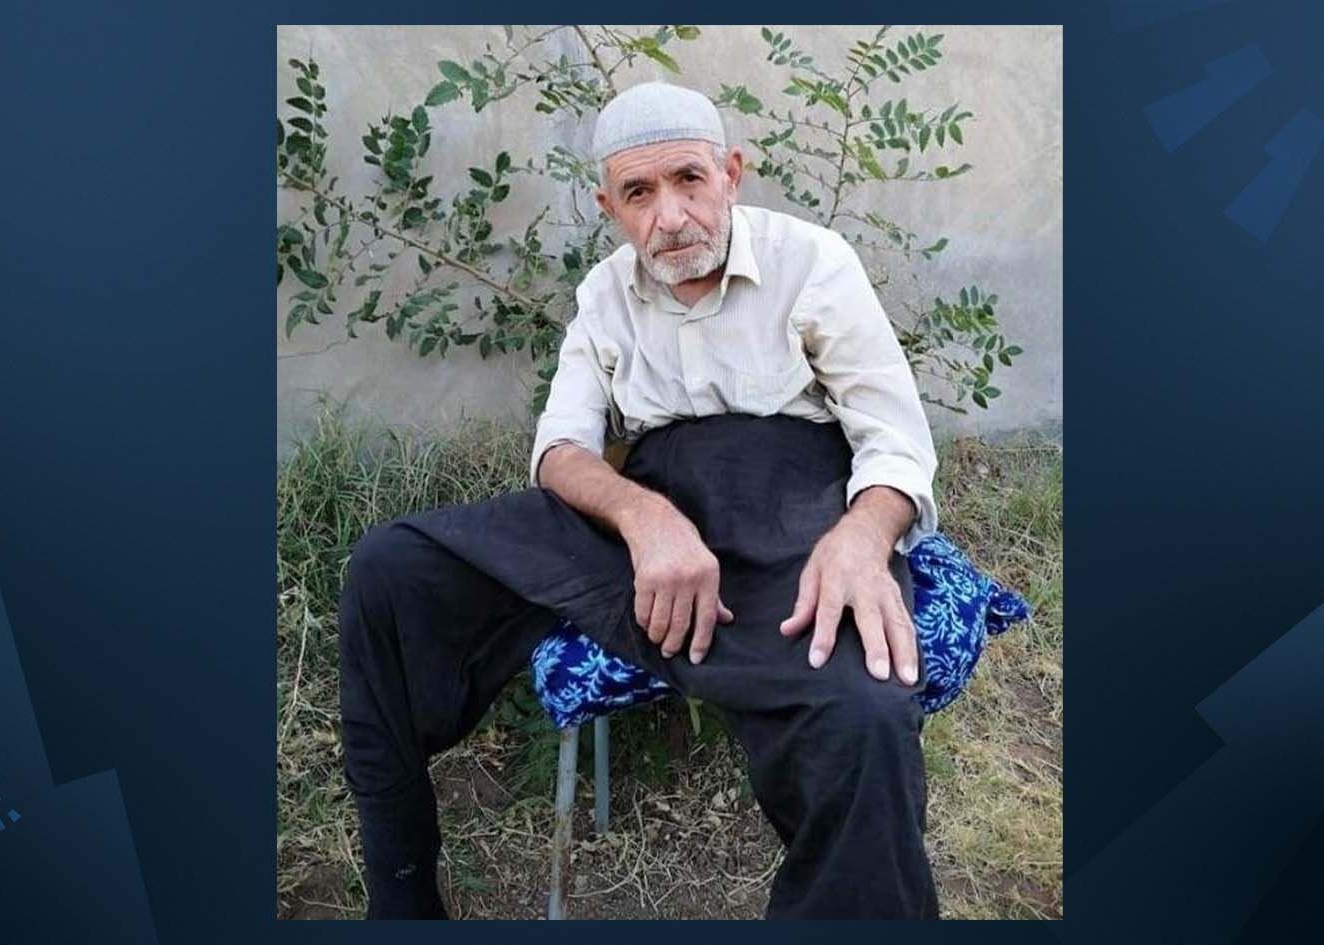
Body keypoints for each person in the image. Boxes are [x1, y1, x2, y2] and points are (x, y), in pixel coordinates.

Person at [338, 80, 941, 920]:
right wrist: (644, 518)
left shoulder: (813, 262)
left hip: (787, 517)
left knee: (865, 712)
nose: (671, 217)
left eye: (689, 180)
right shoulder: (605, 294)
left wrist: (862, 536)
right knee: (389, 567)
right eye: (639, 193)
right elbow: (560, 450)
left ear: (731, 173)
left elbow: (895, 435)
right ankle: (401, 894)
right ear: (609, 207)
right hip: (642, 520)